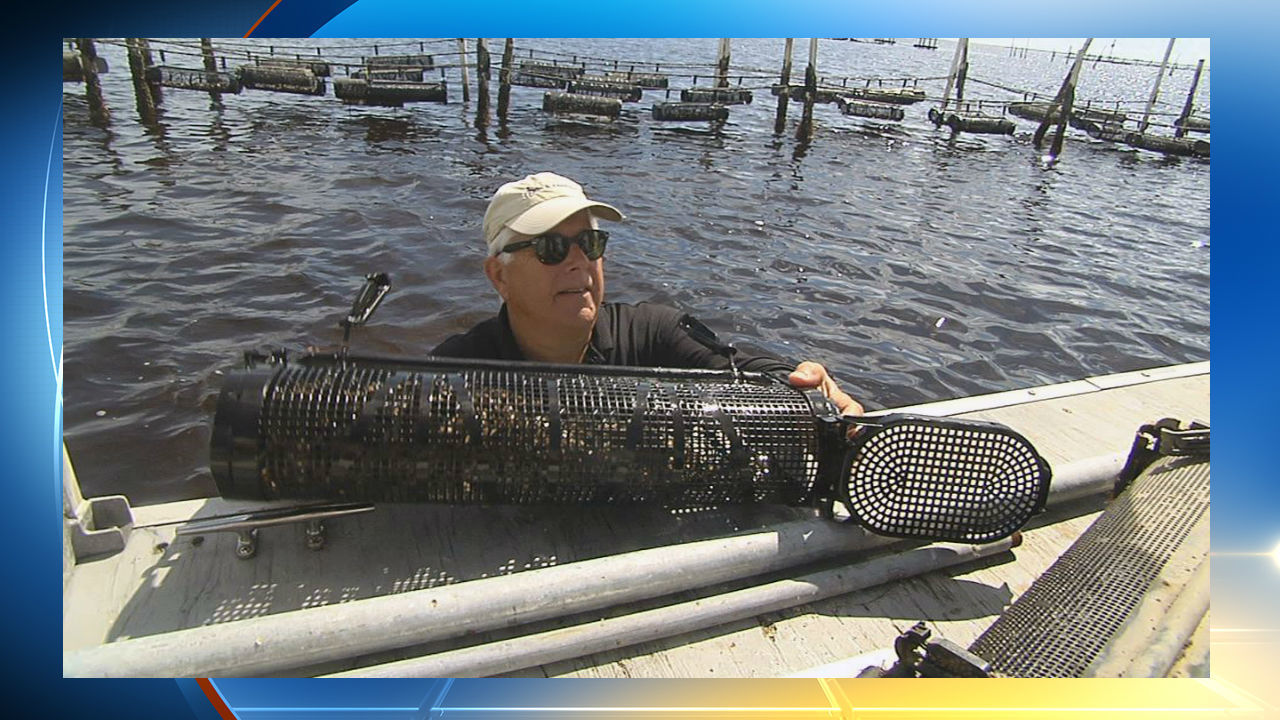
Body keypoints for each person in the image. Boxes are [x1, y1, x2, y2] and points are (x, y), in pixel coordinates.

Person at [431, 171, 863, 416]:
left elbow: (745, 369)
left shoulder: (656, 333)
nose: (578, 262)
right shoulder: (451, 370)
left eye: (590, 244)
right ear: (498, 276)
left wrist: (810, 385)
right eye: (551, 248)